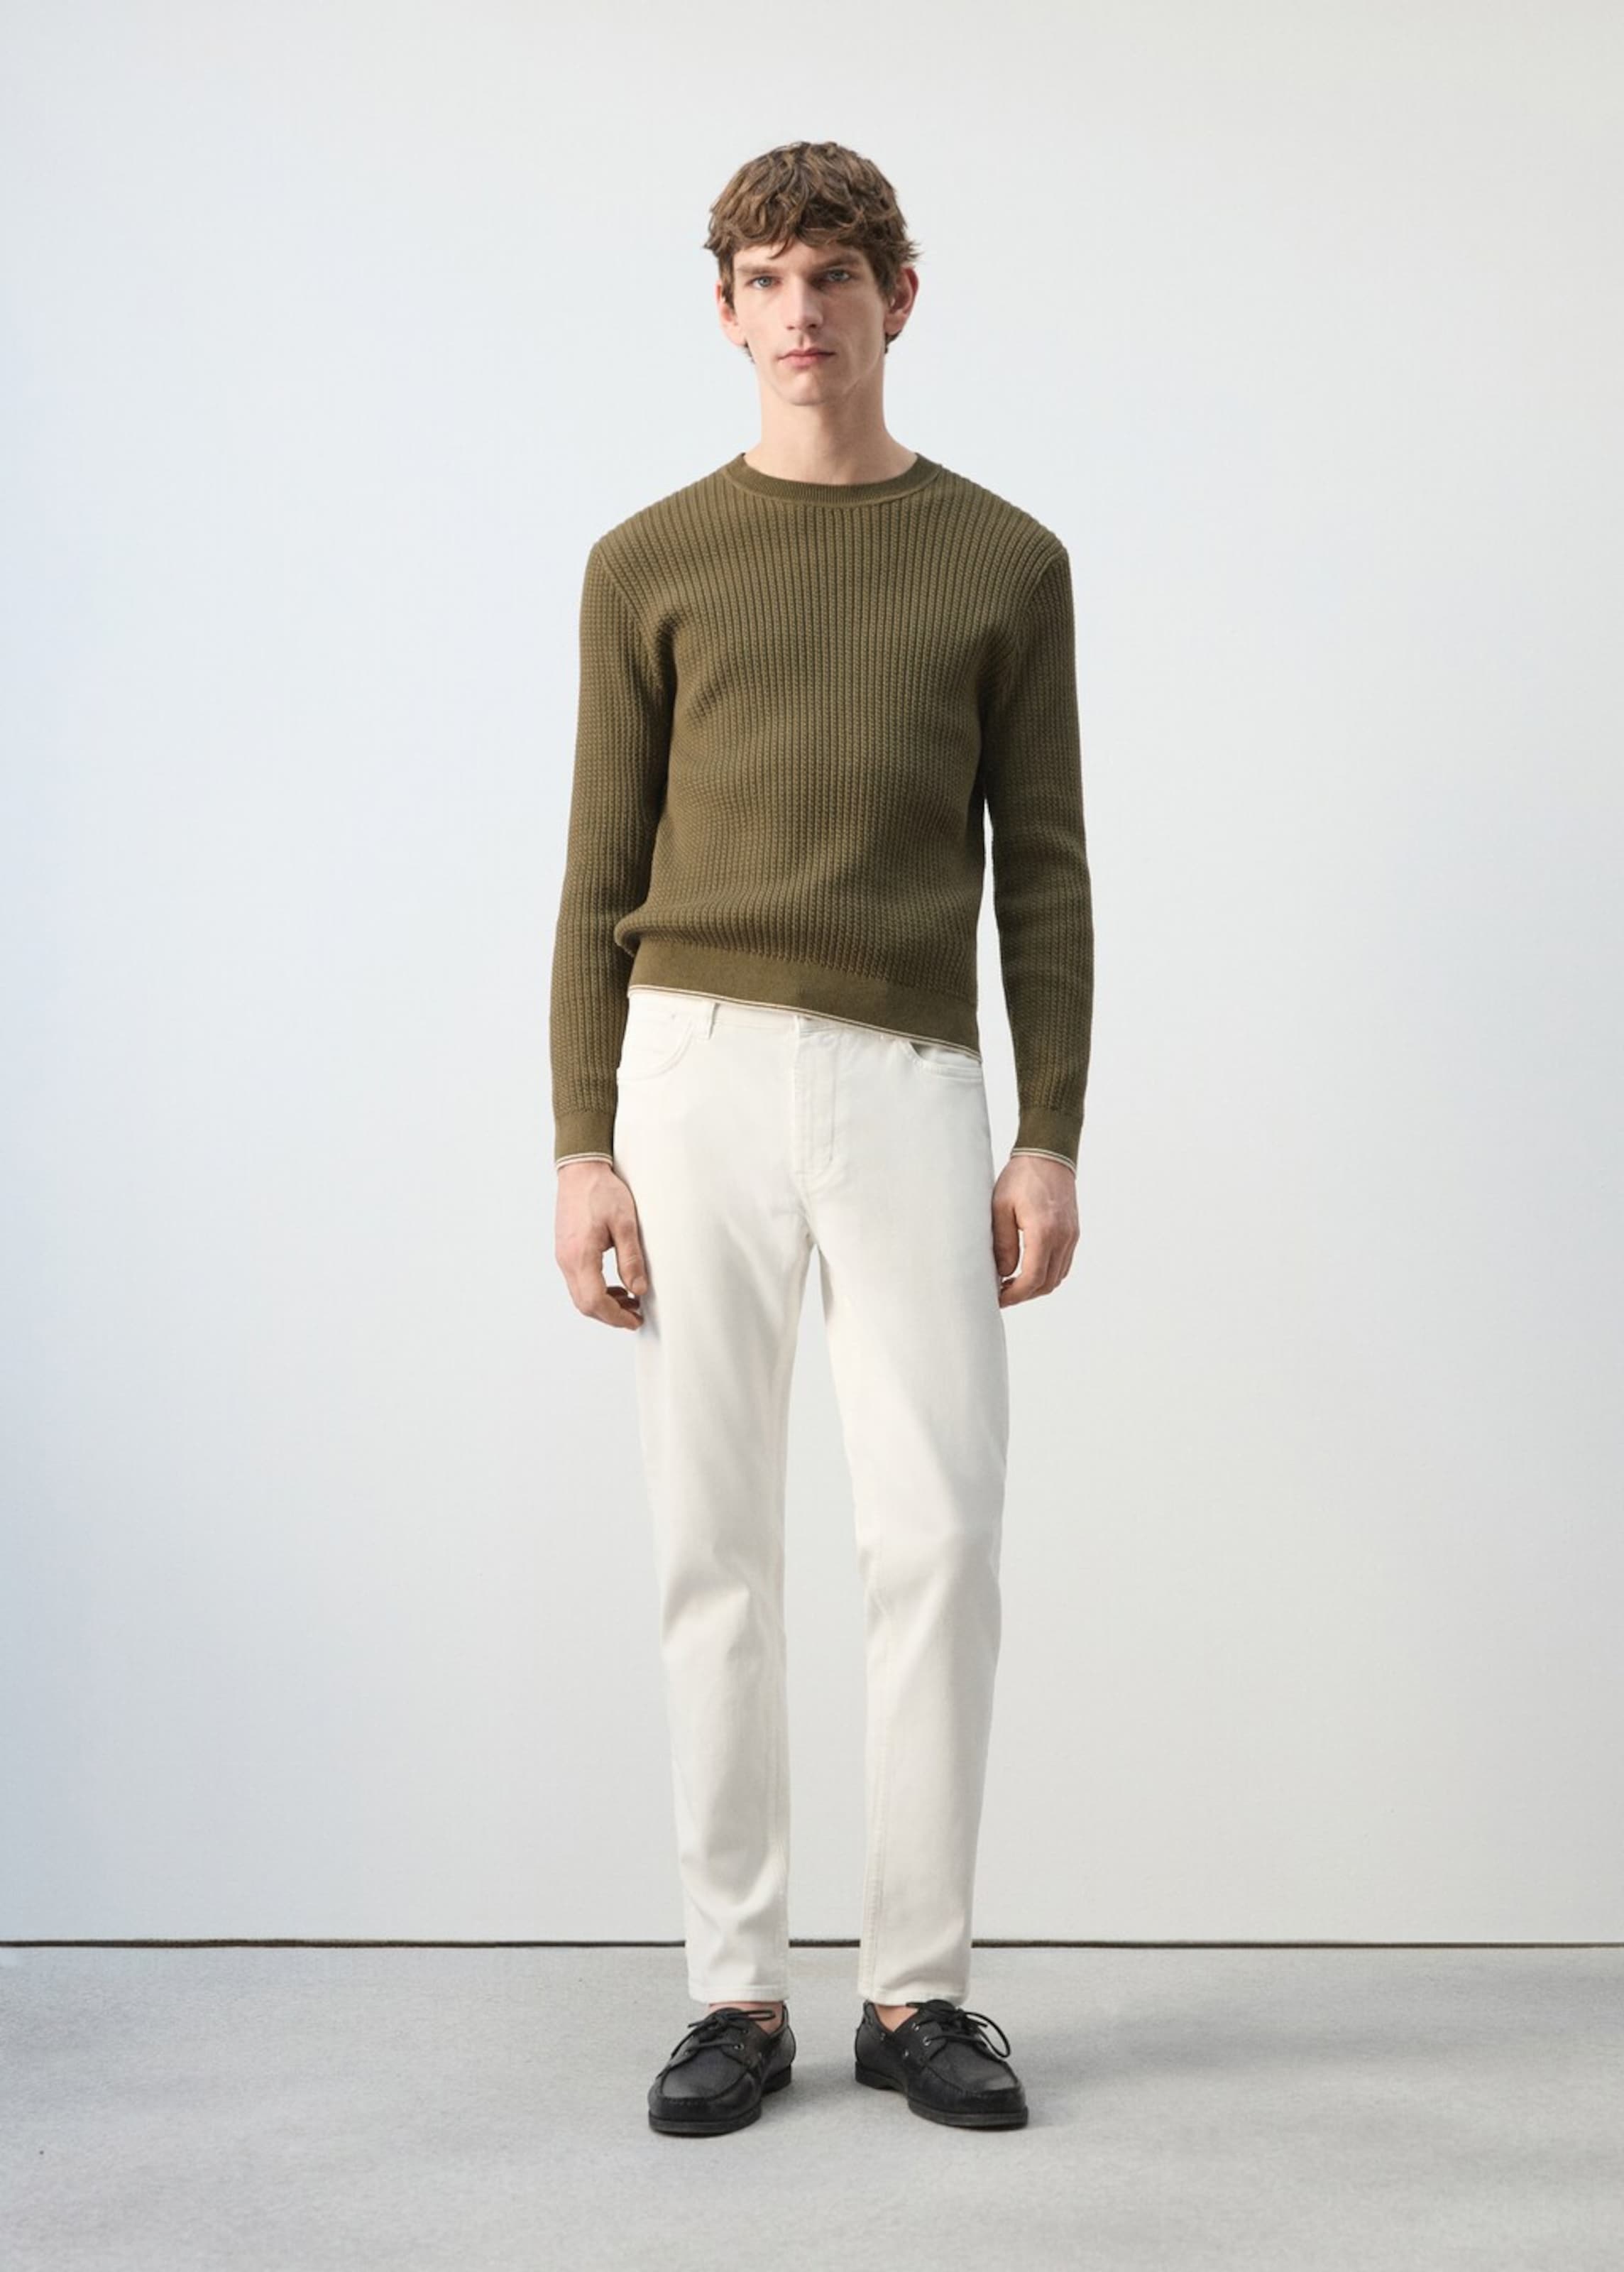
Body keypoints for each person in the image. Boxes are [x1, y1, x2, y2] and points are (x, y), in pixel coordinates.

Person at [550, 138, 1092, 2138]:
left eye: (834, 277)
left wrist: (1050, 1129)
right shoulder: (649, 561)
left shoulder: (1004, 562)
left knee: (937, 1532)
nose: (802, 313)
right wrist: (580, 1142)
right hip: (690, 1069)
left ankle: (918, 1988)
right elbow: (596, 869)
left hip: (909, 1081)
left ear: (897, 298)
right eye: (768, 281)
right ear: (726, 311)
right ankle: (737, 1990)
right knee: (713, 1542)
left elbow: (1045, 869)